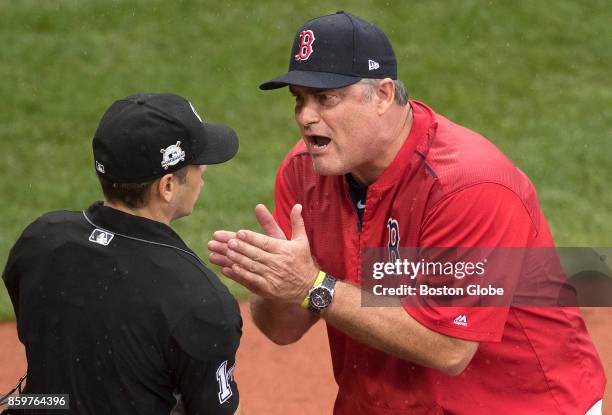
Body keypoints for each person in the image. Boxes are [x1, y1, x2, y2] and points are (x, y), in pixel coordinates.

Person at [208, 11, 606, 415]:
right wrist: (275, 283)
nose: (306, 116)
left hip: (521, 404)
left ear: (382, 95)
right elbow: (282, 330)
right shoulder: (304, 173)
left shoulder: (469, 185)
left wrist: (314, 286)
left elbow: (451, 347)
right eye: (299, 98)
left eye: (326, 98)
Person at [2, 93, 242, 414]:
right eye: (197, 163)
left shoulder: (41, 239)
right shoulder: (199, 299)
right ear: (167, 186)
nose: (203, 173)